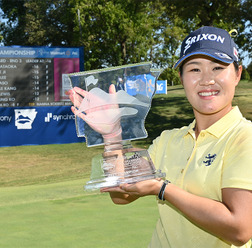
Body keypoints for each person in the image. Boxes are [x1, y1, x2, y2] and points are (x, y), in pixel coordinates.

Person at [68, 26, 252, 248]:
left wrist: (164, 189)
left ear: (238, 74)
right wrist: (112, 135)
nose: (206, 80)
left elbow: (239, 228)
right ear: (181, 78)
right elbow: (121, 195)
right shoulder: (168, 140)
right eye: (194, 70)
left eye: (217, 68)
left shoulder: (244, 137)